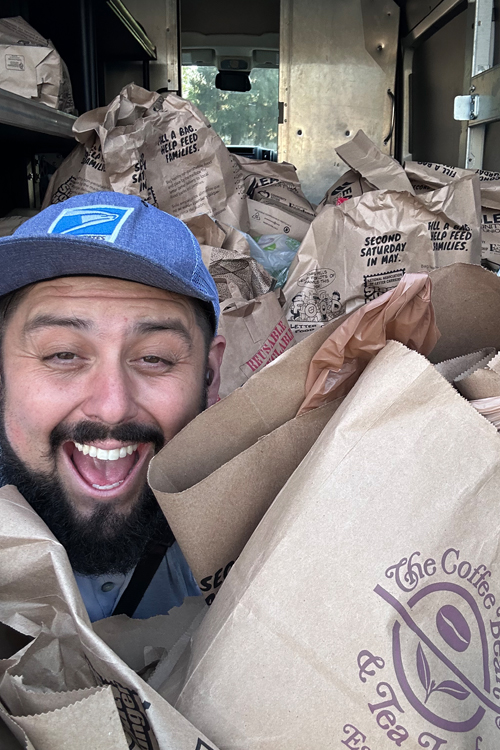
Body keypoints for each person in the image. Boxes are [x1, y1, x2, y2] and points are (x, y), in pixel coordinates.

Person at [0, 191, 225, 622]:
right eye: (62, 354)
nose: (112, 407)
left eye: (155, 357)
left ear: (209, 375)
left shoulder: (256, 534)